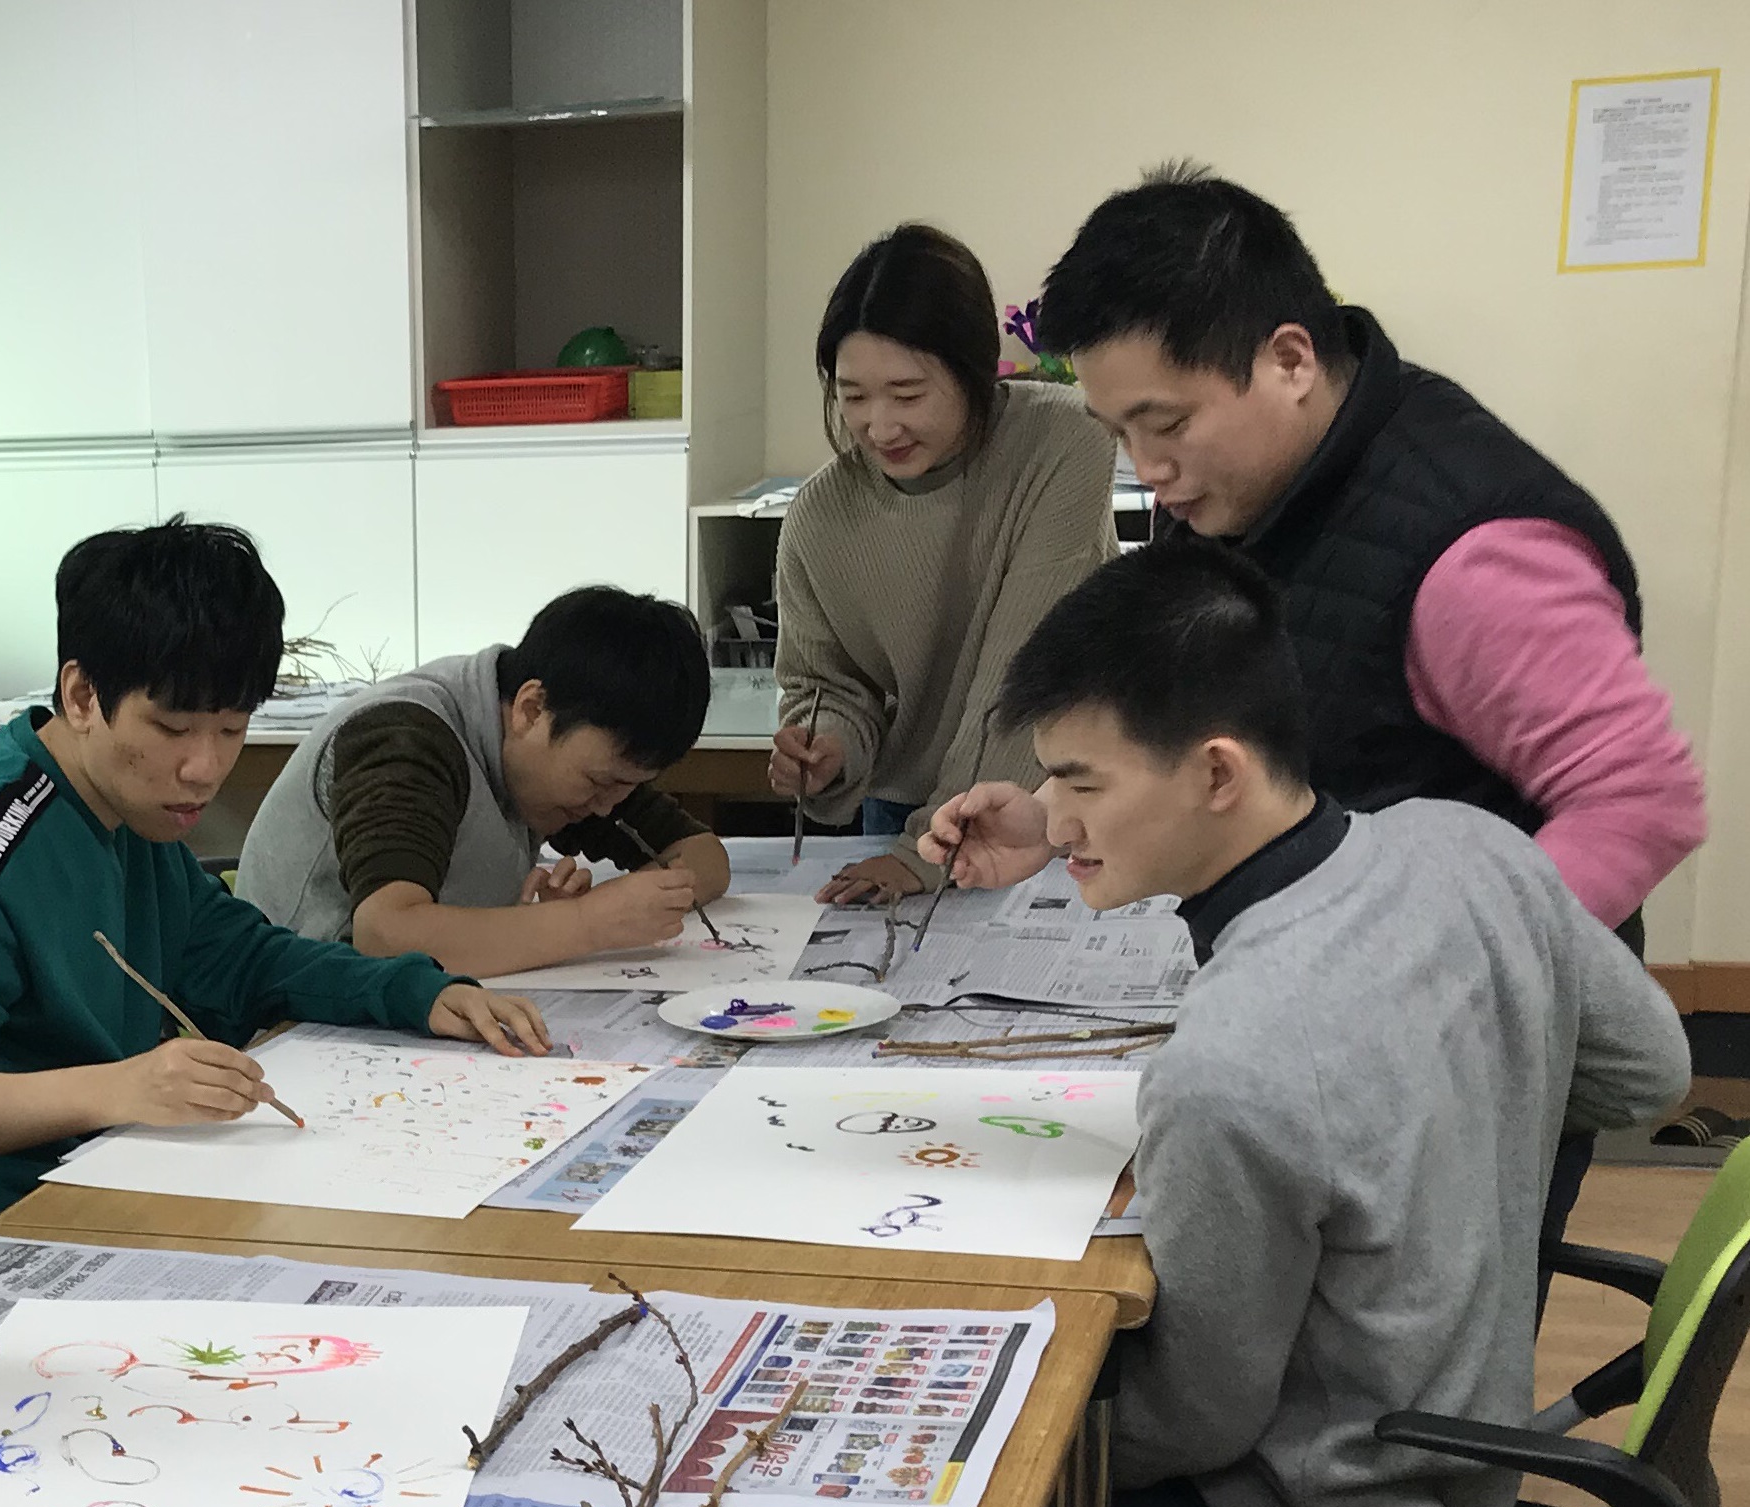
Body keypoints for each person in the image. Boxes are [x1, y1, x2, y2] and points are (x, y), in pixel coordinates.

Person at [936, 161, 1705, 1276]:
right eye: (1117, 432)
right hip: (1312, 998)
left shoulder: (1469, 554)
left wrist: (1415, 980)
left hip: (1447, 1043)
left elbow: (1641, 799)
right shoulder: (1240, 491)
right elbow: (1204, 730)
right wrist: (1062, 811)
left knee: (1392, 1340)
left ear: (1289, 359)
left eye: (1166, 423)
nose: (1147, 470)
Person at [915, 539, 1687, 1507]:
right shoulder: (1468, 844)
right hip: (1458, 1450)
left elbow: (1197, 1421)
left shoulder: (1233, 1064)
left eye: (1078, 781)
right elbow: (1650, 1071)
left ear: (1217, 771)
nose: (1054, 814)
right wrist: (1452, 1123)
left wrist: (998, 1442)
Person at [0, 519, 554, 1240]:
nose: (205, 769)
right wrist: (119, 1088)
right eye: (173, 729)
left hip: (107, 1180)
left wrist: (419, 992)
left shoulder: (128, 817)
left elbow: (246, 959)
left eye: (232, 728)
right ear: (82, 696)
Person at [766, 222, 1116, 905]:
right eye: (853, 396)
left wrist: (925, 851)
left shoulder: (1063, 442)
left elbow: (1023, 669)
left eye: (907, 394)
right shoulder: (819, 516)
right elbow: (827, 683)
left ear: (973, 370)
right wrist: (825, 746)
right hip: (905, 816)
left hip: (1048, 799)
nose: (879, 427)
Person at [240, 585, 732, 979]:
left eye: (626, 787)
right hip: (289, 1018)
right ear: (531, 709)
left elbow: (704, 855)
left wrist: (637, 903)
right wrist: (585, 923)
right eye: (599, 782)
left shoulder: (564, 755)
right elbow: (386, 935)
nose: (607, 807)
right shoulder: (407, 741)